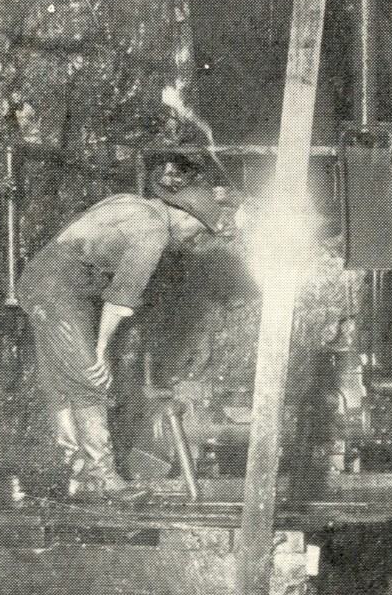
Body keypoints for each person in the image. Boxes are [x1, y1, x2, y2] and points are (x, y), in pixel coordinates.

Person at [16, 165, 233, 501]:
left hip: (43, 279)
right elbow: (121, 297)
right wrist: (101, 348)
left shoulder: (133, 203)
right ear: (186, 216)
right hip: (60, 286)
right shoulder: (154, 231)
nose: (193, 240)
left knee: (62, 383)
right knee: (92, 378)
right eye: (197, 231)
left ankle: (76, 471)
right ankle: (103, 477)